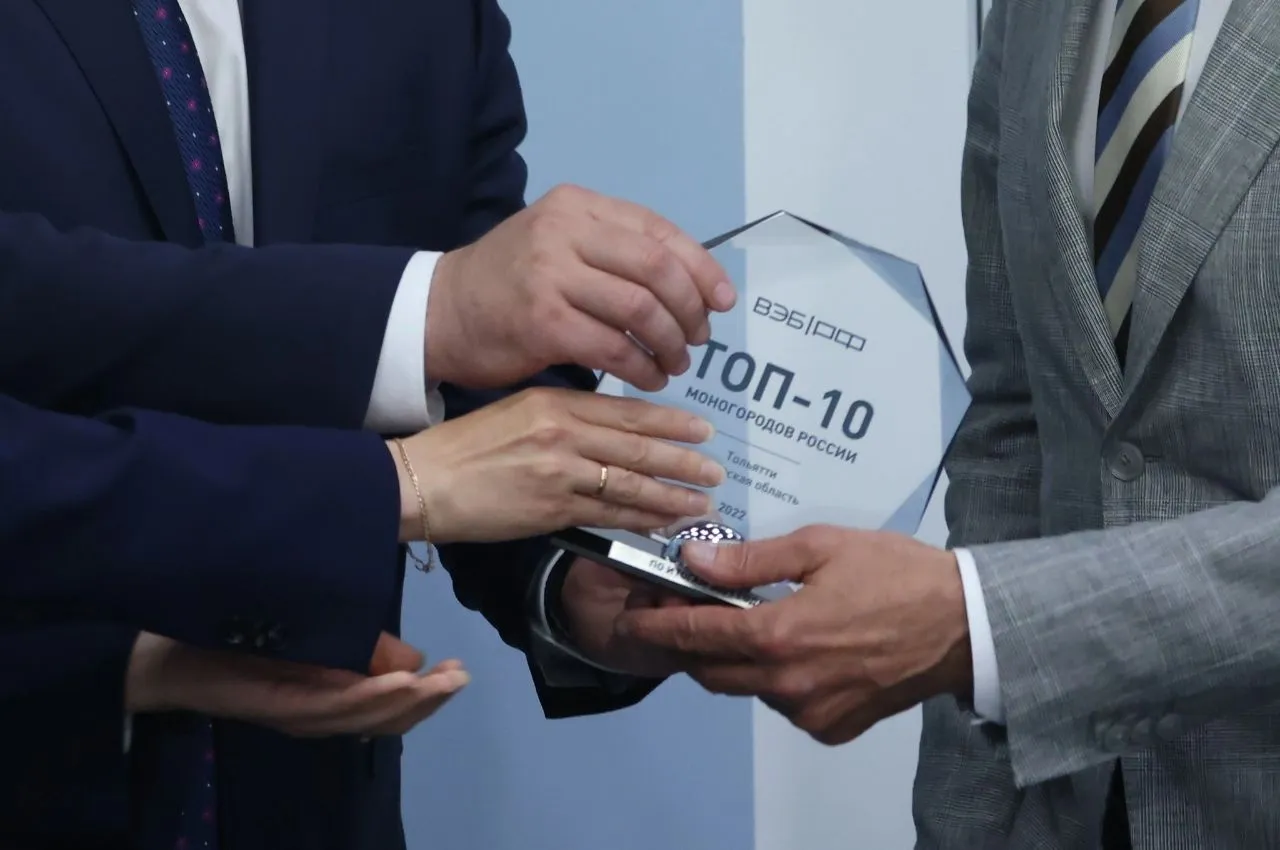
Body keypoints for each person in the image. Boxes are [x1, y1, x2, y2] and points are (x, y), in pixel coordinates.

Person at [0, 0, 734, 847]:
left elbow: (473, 348)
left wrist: (572, 571)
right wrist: (417, 365)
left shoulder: (427, 19)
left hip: (318, 799)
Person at [610, 0, 1280, 847]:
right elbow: (1014, 429)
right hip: (1069, 809)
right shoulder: (1033, 18)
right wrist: (964, 823)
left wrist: (977, 624)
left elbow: (980, 610)